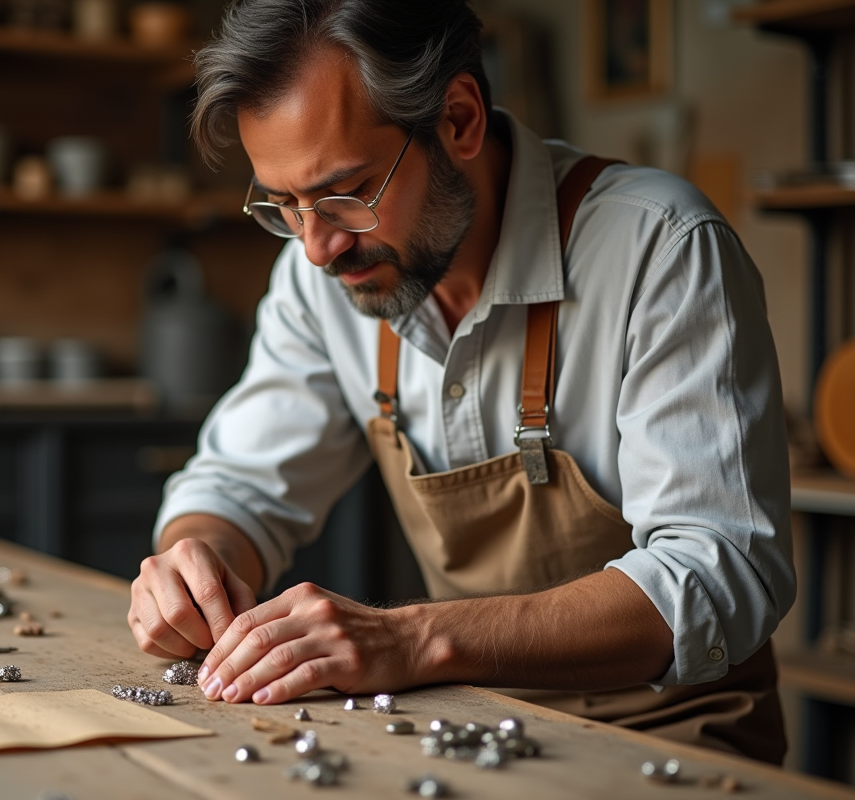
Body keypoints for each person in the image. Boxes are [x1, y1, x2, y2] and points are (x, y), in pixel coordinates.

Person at [128, 0, 795, 763]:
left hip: (675, 739)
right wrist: (195, 558)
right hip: (473, 726)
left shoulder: (661, 249)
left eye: (348, 191)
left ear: (459, 120)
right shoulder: (323, 278)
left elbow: (716, 574)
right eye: (283, 204)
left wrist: (415, 638)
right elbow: (239, 488)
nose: (316, 248)